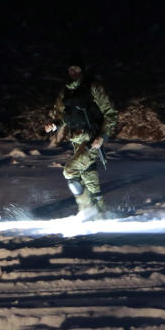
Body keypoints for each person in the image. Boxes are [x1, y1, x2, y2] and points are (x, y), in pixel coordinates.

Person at [44, 63, 118, 219]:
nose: (73, 72)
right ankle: (100, 214)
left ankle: (86, 208)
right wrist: (54, 125)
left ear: (83, 70)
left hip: (92, 138)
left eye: (76, 68)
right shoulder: (65, 92)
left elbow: (110, 113)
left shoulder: (93, 88)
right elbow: (62, 116)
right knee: (89, 177)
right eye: (70, 69)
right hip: (76, 139)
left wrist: (102, 136)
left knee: (70, 172)